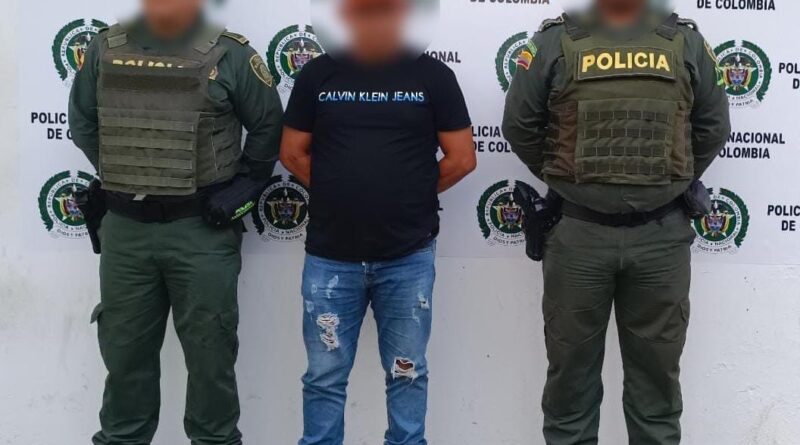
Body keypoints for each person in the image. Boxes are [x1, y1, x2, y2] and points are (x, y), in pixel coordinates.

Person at [502, 0, 730, 444]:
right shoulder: (555, 40)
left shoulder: (685, 41)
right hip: (579, 235)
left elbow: (712, 126)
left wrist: (671, 181)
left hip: (660, 238)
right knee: (570, 384)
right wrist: (567, 179)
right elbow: (519, 125)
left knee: (657, 387)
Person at [68, 0, 284, 443]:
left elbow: (267, 128)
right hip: (126, 231)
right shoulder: (105, 48)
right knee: (124, 359)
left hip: (200, 231)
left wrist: (241, 187)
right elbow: (84, 122)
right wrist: (128, 176)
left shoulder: (231, 54)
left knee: (211, 359)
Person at [279, 0, 476, 444]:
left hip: (407, 258)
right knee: (324, 378)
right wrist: (337, 190)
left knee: (407, 373)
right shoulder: (318, 75)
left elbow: (462, 158)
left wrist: (408, 195)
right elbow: (291, 153)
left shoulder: (433, 76)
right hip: (330, 257)